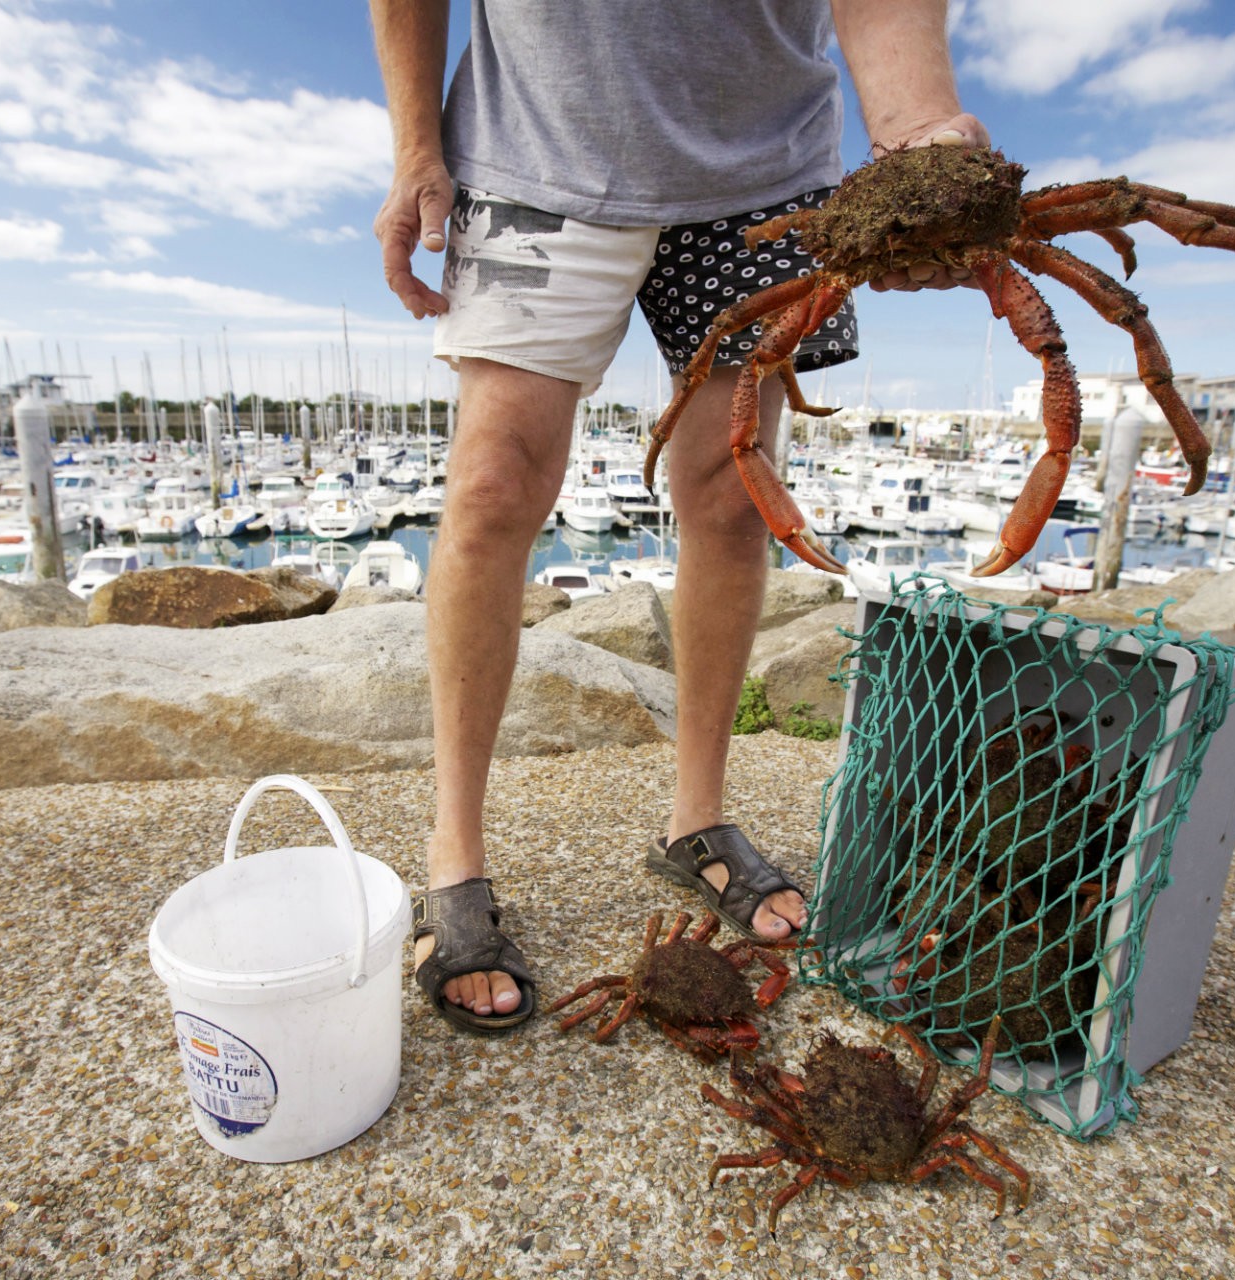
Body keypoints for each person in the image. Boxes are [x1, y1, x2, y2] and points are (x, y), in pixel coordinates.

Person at [370, 0, 987, 1033]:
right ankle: (453, 857)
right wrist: (416, 146)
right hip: (537, 154)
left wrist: (918, 125)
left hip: (766, 175)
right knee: (490, 487)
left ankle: (697, 820)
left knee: (731, 496)